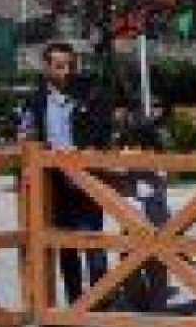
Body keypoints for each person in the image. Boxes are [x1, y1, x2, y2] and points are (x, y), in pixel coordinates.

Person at [18, 42, 112, 305]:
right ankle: (76, 303)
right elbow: (27, 134)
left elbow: (103, 131)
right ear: (46, 67)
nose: (67, 71)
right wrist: (27, 140)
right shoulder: (35, 100)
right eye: (60, 66)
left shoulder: (91, 94)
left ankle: (100, 302)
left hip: (88, 180)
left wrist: (85, 150)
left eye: (71, 64)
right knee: (65, 245)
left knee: (93, 241)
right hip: (54, 183)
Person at [112, 105, 170, 311]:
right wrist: (126, 158)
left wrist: (139, 160)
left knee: (157, 262)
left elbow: (164, 175)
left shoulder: (158, 155)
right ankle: (137, 302)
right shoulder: (123, 152)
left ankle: (157, 305)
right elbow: (116, 169)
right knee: (129, 262)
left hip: (154, 214)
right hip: (131, 215)